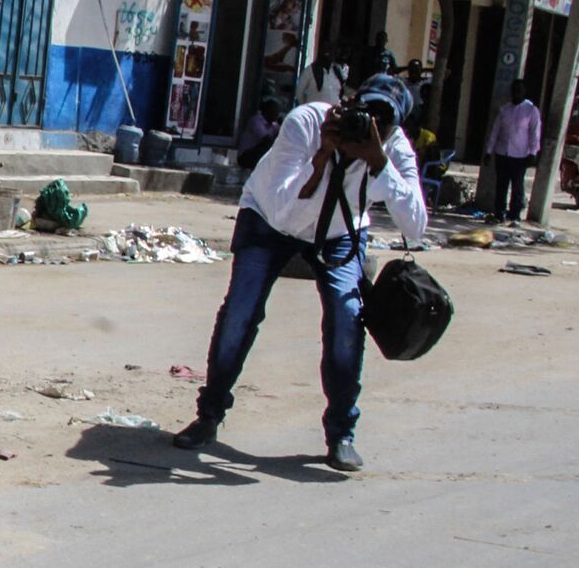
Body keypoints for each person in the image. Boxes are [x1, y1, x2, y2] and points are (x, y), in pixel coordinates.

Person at [170, 73, 428, 472]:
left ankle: (342, 434)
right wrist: (322, 158)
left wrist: (378, 161)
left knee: (346, 318)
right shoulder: (307, 123)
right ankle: (209, 416)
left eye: (384, 119)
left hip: (340, 231)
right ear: (349, 104)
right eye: (367, 111)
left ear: (396, 127)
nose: (370, 124)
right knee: (241, 312)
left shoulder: (392, 149)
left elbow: (416, 226)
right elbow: (283, 212)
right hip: (268, 217)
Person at [484, 79, 541, 225]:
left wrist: (533, 152)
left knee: (517, 185)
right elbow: (495, 131)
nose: (516, 92)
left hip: (520, 155)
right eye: (514, 89)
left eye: (519, 89)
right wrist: (489, 151)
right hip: (502, 153)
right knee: (501, 185)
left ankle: (514, 214)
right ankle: (499, 213)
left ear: (524, 91)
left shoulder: (531, 110)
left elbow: (535, 133)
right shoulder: (504, 110)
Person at [236, 97, 282, 169]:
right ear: (268, 111)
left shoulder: (273, 124)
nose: (277, 115)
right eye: (275, 111)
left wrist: (283, 126)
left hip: (256, 156)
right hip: (245, 156)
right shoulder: (256, 121)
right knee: (269, 144)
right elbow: (266, 139)